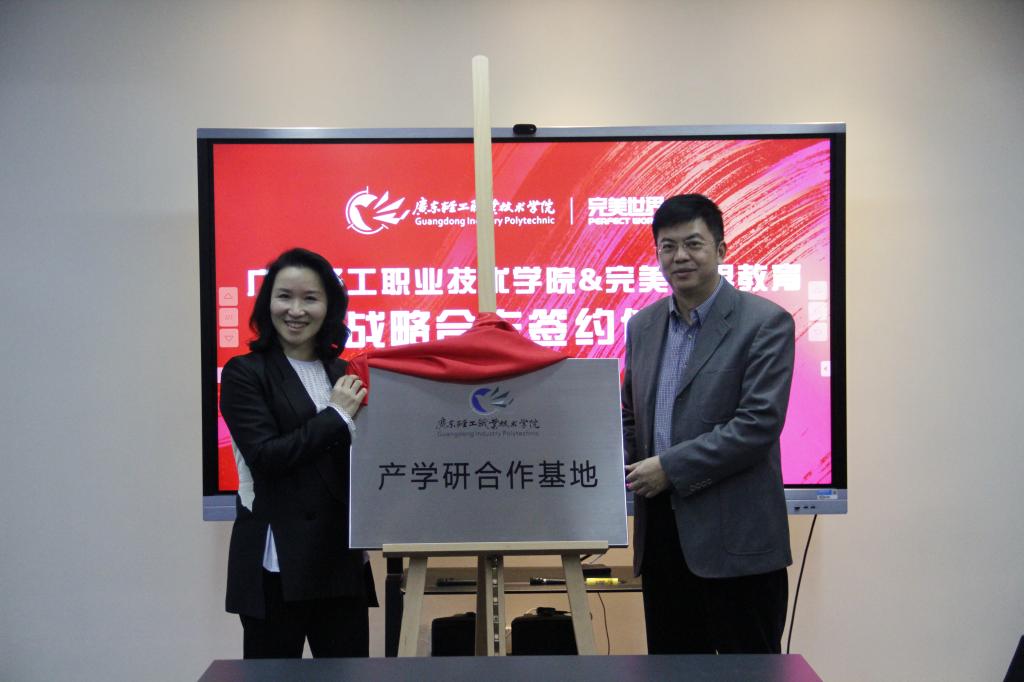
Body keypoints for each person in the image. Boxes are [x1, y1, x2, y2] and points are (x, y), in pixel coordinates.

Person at [622, 194, 794, 654]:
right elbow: (629, 416)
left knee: (748, 674)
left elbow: (756, 425)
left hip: (738, 545)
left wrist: (669, 468)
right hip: (662, 541)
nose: (680, 256)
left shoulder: (764, 323)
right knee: (672, 671)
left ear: (720, 249)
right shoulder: (642, 327)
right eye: (668, 246)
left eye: (693, 244)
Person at [220, 247, 377, 658]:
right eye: (284, 296)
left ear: (329, 307)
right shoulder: (244, 372)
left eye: (310, 298)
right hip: (277, 560)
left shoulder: (345, 373)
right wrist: (335, 416)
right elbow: (266, 457)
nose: (295, 310)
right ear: (267, 302)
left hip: (341, 558)